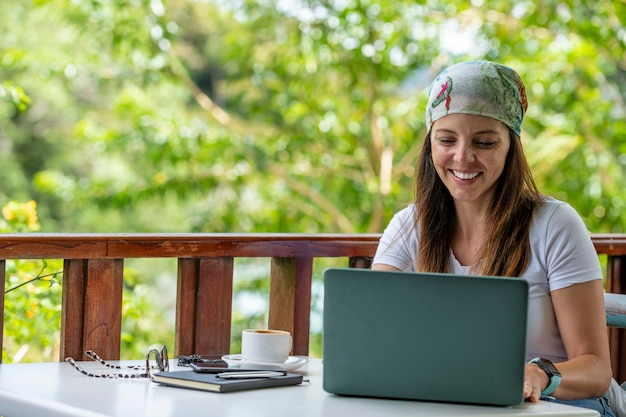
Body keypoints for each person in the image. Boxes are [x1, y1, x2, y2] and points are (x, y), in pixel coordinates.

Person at [371, 60, 615, 416]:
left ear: (510, 148)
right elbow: (372, 337)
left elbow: (596, 369)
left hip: (564, 407)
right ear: (430, 146)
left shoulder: (555, 225)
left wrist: (539, 375)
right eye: (446, 140)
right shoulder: (408, 227)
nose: (463, 157)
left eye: (484, 142)